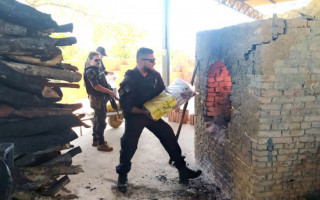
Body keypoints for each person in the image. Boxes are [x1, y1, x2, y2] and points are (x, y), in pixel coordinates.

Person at [116, 47, 202, 192]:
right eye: (151, 60)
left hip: (152, 115)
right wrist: (144, 112)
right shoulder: (129, 79)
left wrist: (177, 100)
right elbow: (126, 106)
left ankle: (182, 170)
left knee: (168, 135)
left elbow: (164, 94)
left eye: (155, 60)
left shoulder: (154, 75)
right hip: (135, 116)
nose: (154, 63)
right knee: (129, 145)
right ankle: (122, 175)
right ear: (140, 60)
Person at [84, 51, 116, 152]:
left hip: (100, 98)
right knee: (101, 122)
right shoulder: (90, 71)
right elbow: (96, 86)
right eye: (96, 60)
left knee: (98, 119)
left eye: (100, 60)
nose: (98, 62)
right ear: (90, 61)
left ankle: (95, 140)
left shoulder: (97, 69)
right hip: (97, 99)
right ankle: (101, 144)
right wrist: (109, 92)